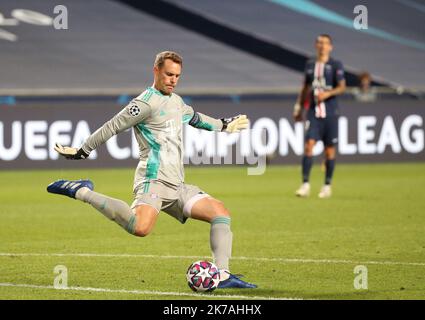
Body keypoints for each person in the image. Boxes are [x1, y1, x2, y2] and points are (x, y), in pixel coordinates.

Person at [47, 51, 256, 289]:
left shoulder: (176, 101)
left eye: (177, 76)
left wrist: (224, 125)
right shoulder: (144, 103)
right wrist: (84, 150)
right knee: (140, 228)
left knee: (220, 213)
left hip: (177, 185)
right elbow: (112, 126)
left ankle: (222, 275)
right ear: (156, 70)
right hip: (153, 180)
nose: (173, 80)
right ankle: (82, 191)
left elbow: (196, 118)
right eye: (168, 74)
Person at [293, 35, 346, 198]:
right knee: (309, 145)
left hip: (331, 113)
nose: (322, 46)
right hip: (313, 113)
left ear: (331, 47)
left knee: (329, 150)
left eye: (326, 43)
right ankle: (305, 184)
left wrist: (328, 93)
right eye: (320, 43)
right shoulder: (310, 65)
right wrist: (298, 107)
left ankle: (327, 185)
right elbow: (305, 88)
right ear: (316, 45)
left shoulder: (335, 65)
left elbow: (342, 87)